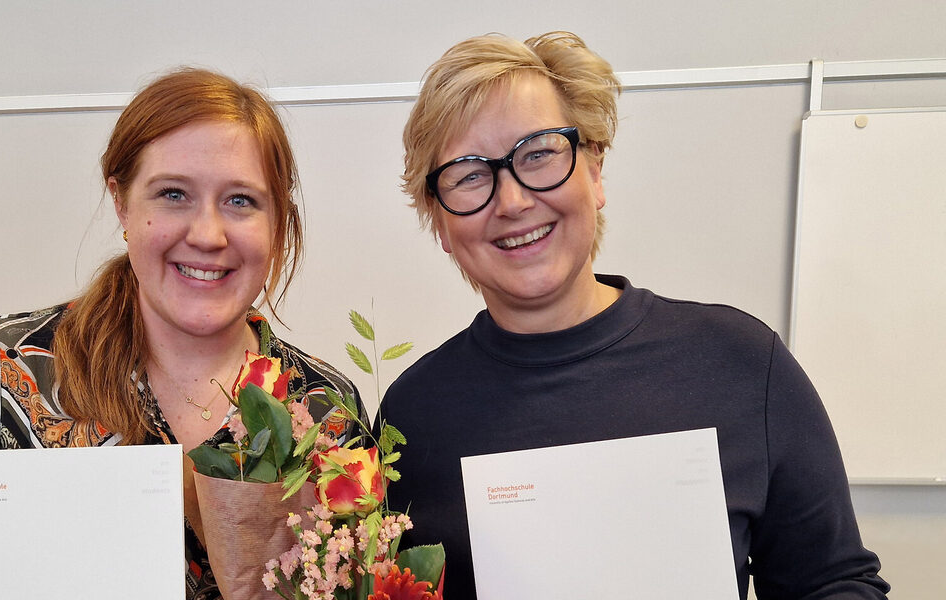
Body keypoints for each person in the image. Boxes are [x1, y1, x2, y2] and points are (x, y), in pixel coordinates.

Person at [377, 32, 888, 600]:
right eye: (470, 174)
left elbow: (834, 584)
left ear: (594, 170)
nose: (513, 200)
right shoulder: (413, 414)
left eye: (539, 153)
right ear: (440, 223)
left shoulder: (740, 363)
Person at [0, 68, 361, 600]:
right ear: (121, 204)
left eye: (241, 200)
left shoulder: (325, 410)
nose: (207, 234)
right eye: (173, 193)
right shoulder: (0, 372)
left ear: (278, 222)